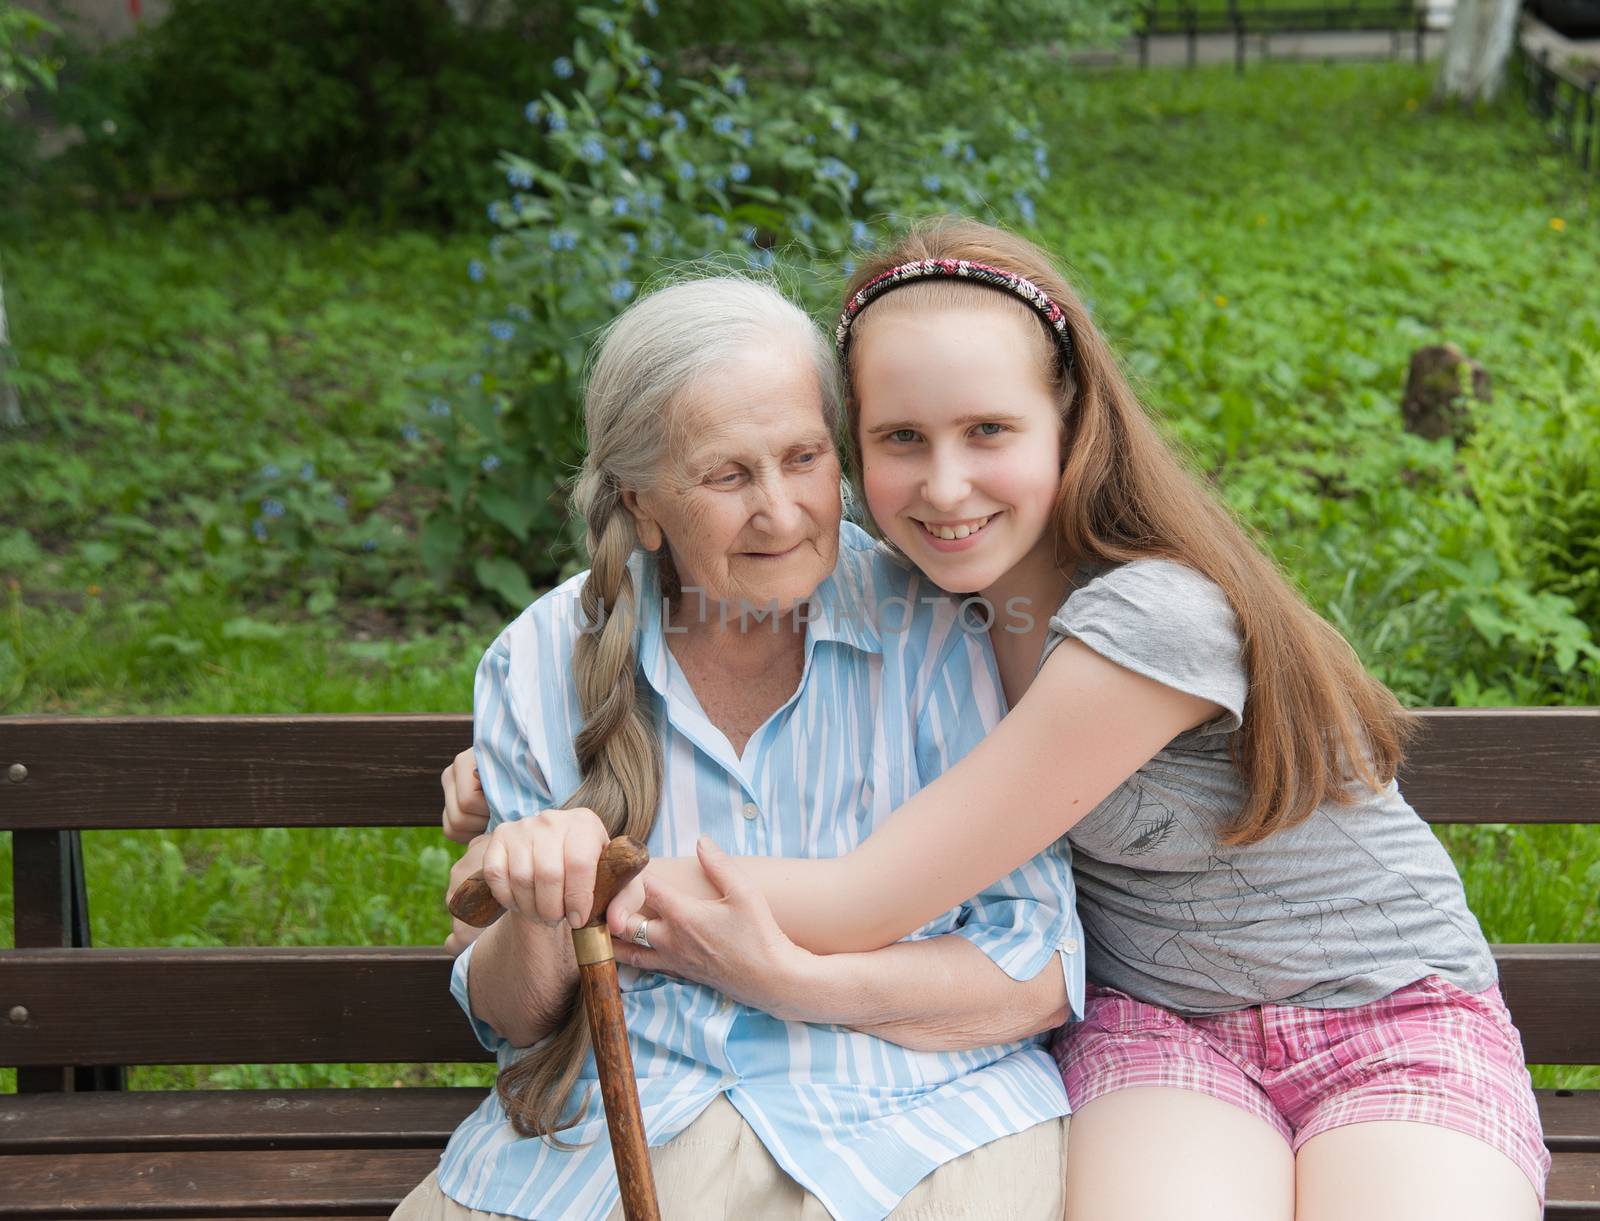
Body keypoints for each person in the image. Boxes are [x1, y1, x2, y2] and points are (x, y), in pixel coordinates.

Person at [443, 216, 1548, 1221]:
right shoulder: (951, 602)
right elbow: (654, 653)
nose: (946, 486)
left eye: (988, 431)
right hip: (1157, 1025)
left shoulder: (1149, 621)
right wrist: (528, 790)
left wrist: (565, 855)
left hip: (1387, 1015)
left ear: (1069, 420)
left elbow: (871, 889)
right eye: (900, 441)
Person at [399, 273, 1081, 1221]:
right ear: (641, 504)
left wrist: (792, 983)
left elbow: (1033, 968)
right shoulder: (541, 659)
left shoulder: (936, 628)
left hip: (916, 1123)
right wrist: (545, 901)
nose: (783, 511)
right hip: (624, 1132)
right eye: (726, 475)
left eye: (804, 458)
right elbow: (517, 1018)